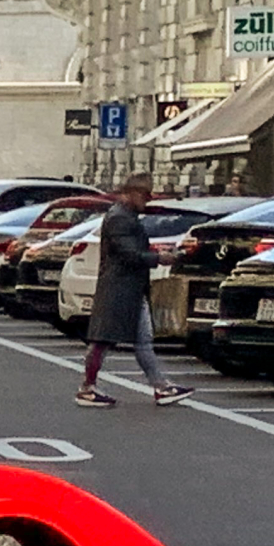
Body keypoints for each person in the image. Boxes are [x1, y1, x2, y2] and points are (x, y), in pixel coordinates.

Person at [78, 173, 192, 410]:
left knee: (140, 340)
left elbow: (131, 248)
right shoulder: (121, 218)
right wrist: (158, 257)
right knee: (103, 339)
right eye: (143, 194)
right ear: (128, 194)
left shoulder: (124, 216)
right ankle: (87, 388)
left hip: (126, 286)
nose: (147, 200)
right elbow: (128, 254)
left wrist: (157, 252)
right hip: (120, 287)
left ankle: (161, 387)